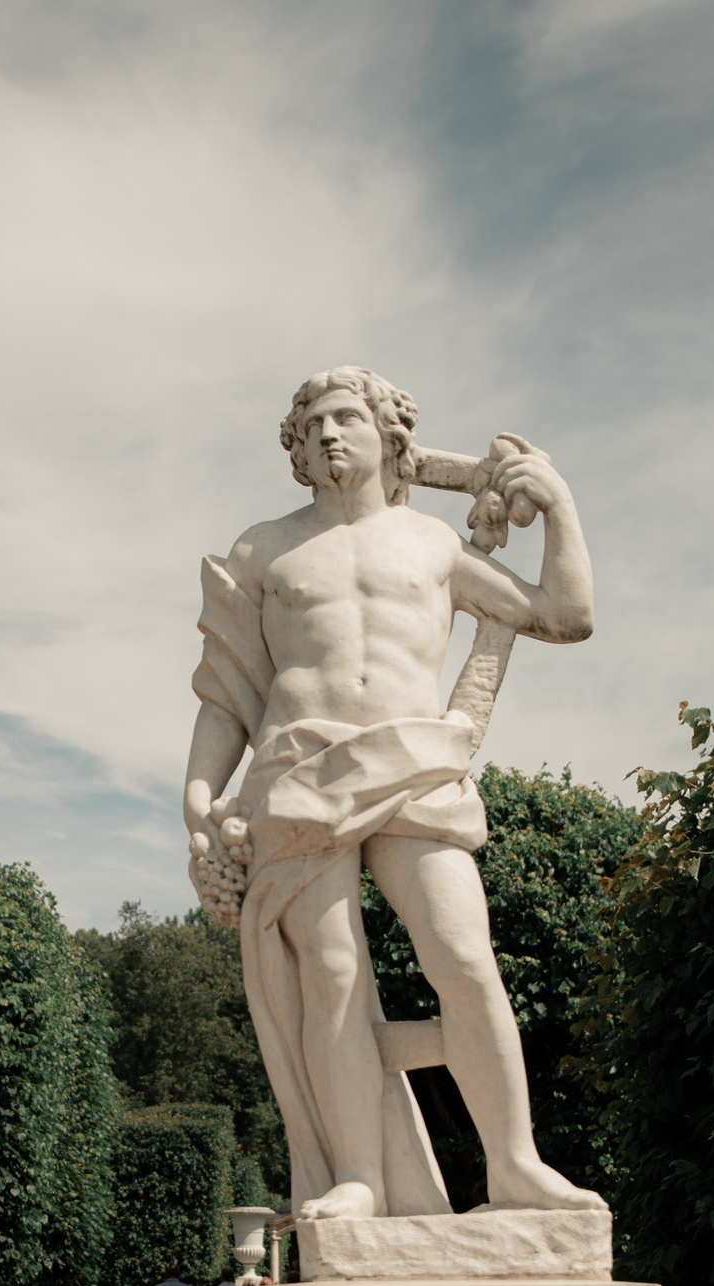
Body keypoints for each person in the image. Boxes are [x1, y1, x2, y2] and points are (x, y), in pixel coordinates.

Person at [182, 366, 606, 1220]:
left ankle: (515, 1165)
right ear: (296, 452)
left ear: (389, 438)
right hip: (300, 777)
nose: (329, 436)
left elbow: (565, 614)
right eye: (312, 428)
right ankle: (361, 1178)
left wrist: (558, 507)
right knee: (332, 978)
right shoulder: (263, 548)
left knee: (464, 960)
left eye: (347, 419)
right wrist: (199, 794)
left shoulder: (434, 545)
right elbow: (229, 692)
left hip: (414, 765)